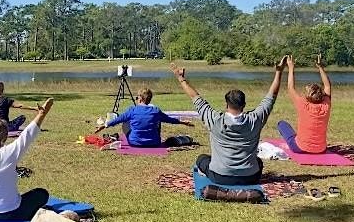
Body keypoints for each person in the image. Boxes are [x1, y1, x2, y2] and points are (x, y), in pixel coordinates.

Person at [172, 56, 288, 186]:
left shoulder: (215, 120)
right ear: (244, 105)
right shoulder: (255, 119)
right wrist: (279, 72)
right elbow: (271, 97)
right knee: (258, 162)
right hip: (250, 177)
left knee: (202, 159)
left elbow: (196, 98)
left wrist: (181, 79)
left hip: (220, 176)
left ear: (226, 104)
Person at [0, 93, 54, 222]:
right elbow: (27, 135)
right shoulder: (7, 154)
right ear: (4, 138)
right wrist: (41, 114)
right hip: (8, 214)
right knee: (41, 194)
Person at [93, 88, 194, 147]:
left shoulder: (132, 110)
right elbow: (169, 120)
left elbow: (118, 120)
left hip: (134, 142)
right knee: (158, 121)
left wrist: (104, 126)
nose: (136, 99)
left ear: (140, 99)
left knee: (125, 122)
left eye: (137, 98)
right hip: (154, 143)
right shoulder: (156, 111)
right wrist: (182, 122)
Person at [277, 54, 332, 154]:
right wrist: (320, 67)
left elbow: (290, 87)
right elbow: (327, 85)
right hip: (321, 149)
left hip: (299, 148)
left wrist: (291, 67)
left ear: (308, 96)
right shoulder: (326, 105)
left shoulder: (303, 105)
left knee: (281, 124)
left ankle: (295, 141)